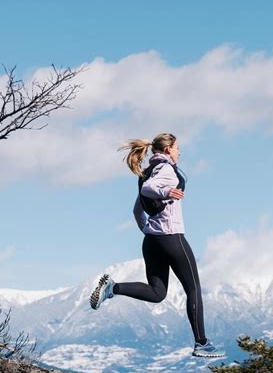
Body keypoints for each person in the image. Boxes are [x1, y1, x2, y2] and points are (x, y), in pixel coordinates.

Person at [89, 133, 224, 358]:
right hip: (171, 237)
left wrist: (149, 231)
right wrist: (166, 192)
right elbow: (148, 190)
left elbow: (137, 209)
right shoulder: (166, 171)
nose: (180, 152)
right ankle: (201, 343)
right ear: (169, 149)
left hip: (151, 240)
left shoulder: (146, 173)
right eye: (178, 148)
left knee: (157, 293)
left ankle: (113, 288)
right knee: (193, 289)